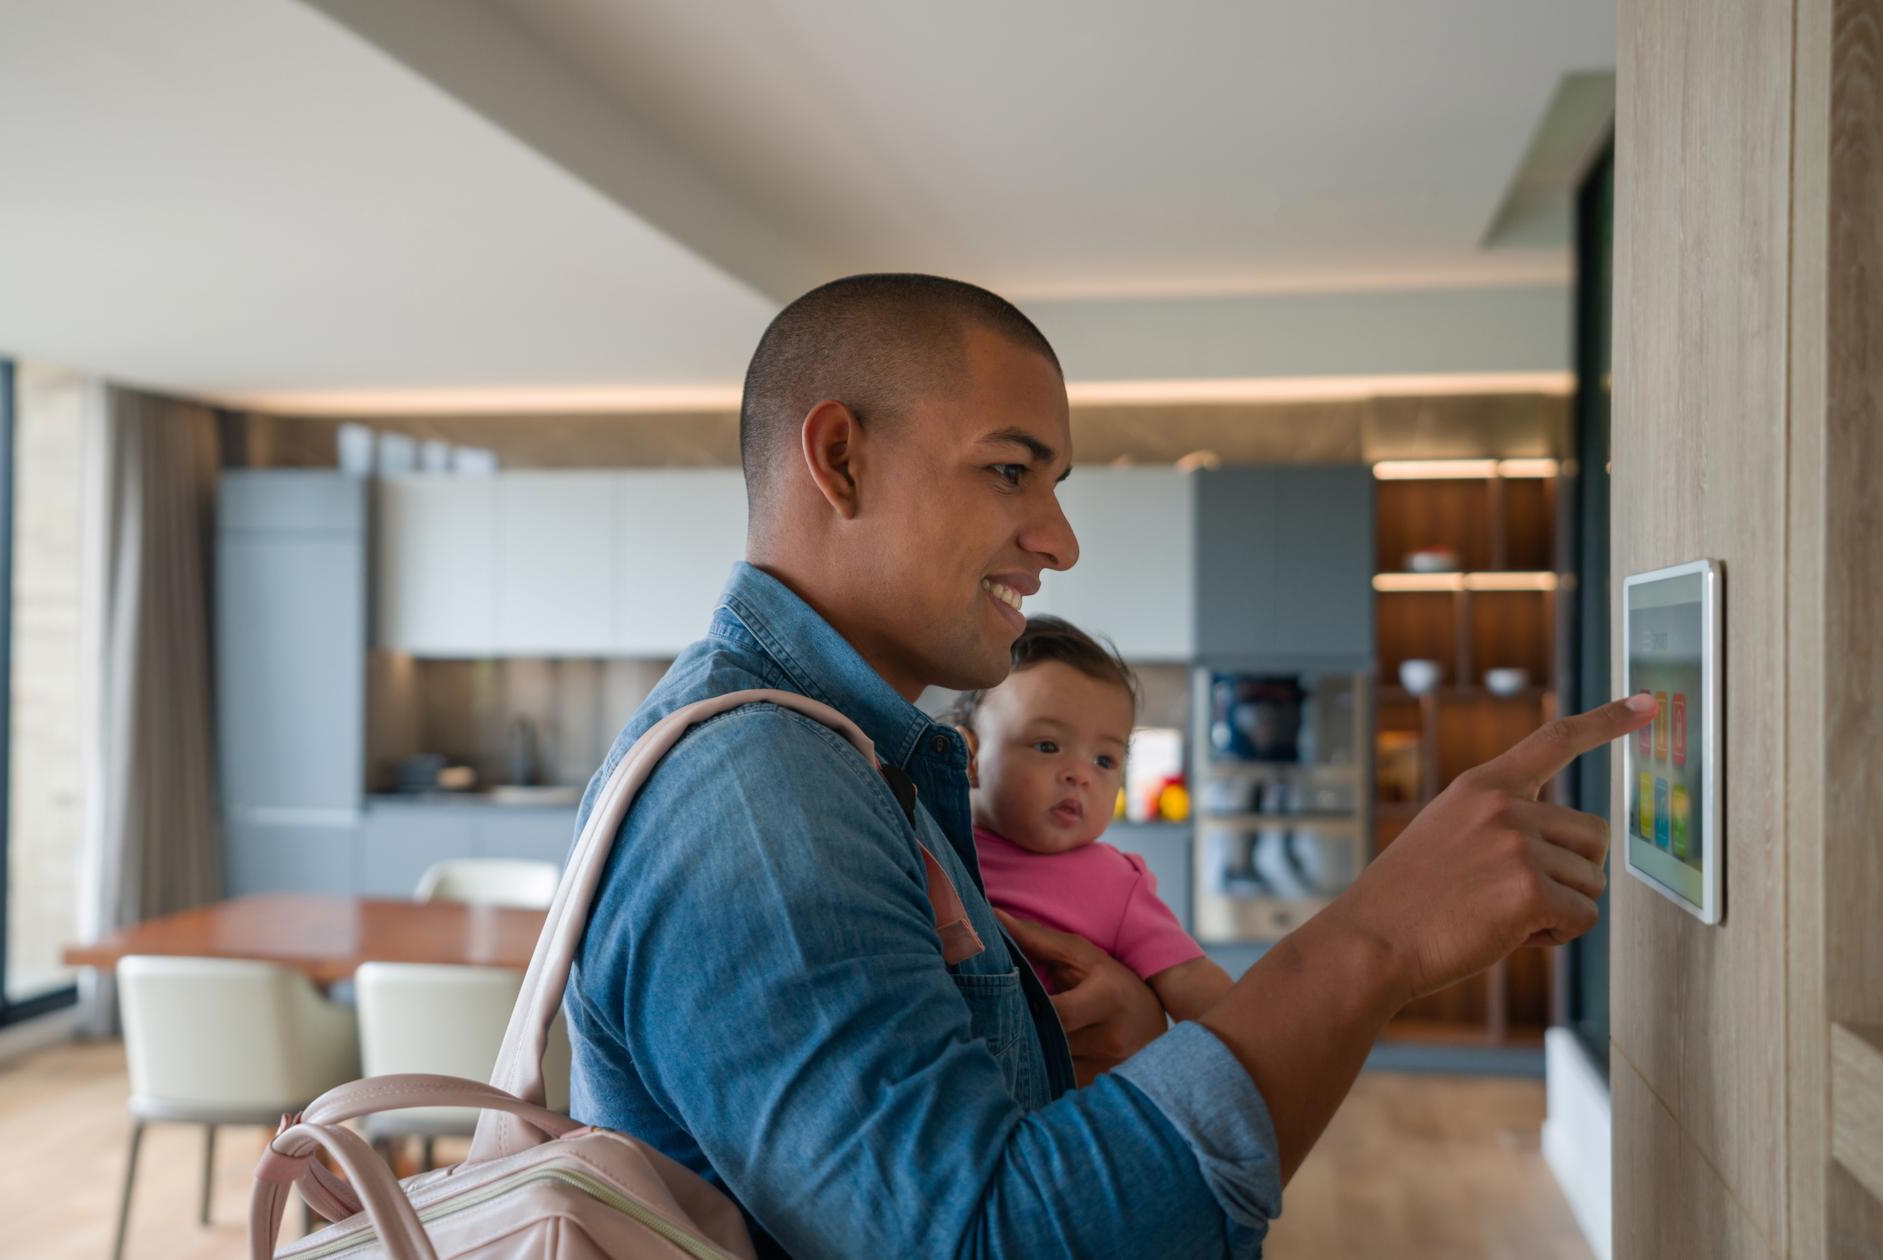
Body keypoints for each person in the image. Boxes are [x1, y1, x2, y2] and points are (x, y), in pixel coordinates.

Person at [556, 274, 1650, 1257]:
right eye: (1007, 471)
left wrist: (1098, 1057)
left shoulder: (853, 765)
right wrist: (1378, 937)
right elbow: (985, 1241)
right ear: (840, 458)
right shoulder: (761, 798)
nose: (1058, 540)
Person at [947, 613, 1232, 1082]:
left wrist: (1257, 1057)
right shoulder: (929, 843)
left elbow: (1196, 986)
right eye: (1046, 745)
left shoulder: (1115, 883)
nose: (1080, 773)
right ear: (969, 757)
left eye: (1104, 759)